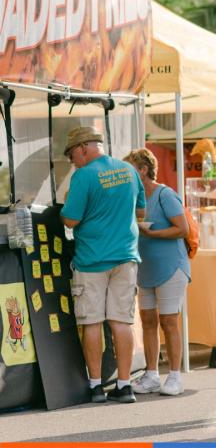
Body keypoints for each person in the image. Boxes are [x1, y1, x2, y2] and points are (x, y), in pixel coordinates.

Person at [61, 127, 145, 404]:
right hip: (126, 256)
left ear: (84, 147)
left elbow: (70, 220)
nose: (72, 160)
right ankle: (124, 385)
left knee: (92, 321)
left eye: (72, 154)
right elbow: (141, 211)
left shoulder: (84, 175)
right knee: (122, 322)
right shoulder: (129, 170)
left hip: (92, 259)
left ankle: (96, 386)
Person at [123, 148, 190, 396]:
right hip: (146, 267)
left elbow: (182, 229)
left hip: (171, 266)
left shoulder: (165, 194)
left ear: (143, 170)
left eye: (130, 169)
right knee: (148, 321)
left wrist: (152, 233)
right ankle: (151, 374)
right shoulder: (131, 197)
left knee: (169, 321)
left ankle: (174, 375)